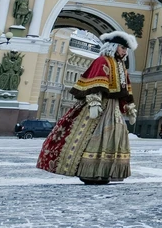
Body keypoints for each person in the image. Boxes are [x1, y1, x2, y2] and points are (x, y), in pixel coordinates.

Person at [36, 31, 138, 184]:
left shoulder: (121, 66)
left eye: (126, 49)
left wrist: (129, 107)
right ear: (114, 46)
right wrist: (94, 102)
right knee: (93, 136)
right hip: (99, 105)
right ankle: (89, 171)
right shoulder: (102, 61)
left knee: (114, 137)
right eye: (123, 48)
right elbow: (95, 83)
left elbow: (125, 89)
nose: (125, 52)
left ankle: (104, 172)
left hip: (114, 107)